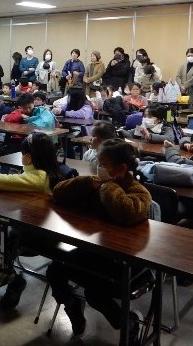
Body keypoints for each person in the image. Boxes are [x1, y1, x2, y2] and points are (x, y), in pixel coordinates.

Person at [48, 139, 151, 343]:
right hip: (95, 253)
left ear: (121, 168)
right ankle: (72, 306)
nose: (98, 167)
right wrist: (87, 183)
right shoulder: (97, 183)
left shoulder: (138, 191)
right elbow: (58, 192)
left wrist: (108, 186)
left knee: (94, 293)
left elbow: (126, 212)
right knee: (55, 270)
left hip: (125, 264)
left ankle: (129, 324)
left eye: (103, 164)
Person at [0, 133, 64, 306]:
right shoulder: (46, 173)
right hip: (23, 226)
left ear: (29, 157)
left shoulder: (38, 177)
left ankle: (13, 281)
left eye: (23, 154)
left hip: (32, 235)